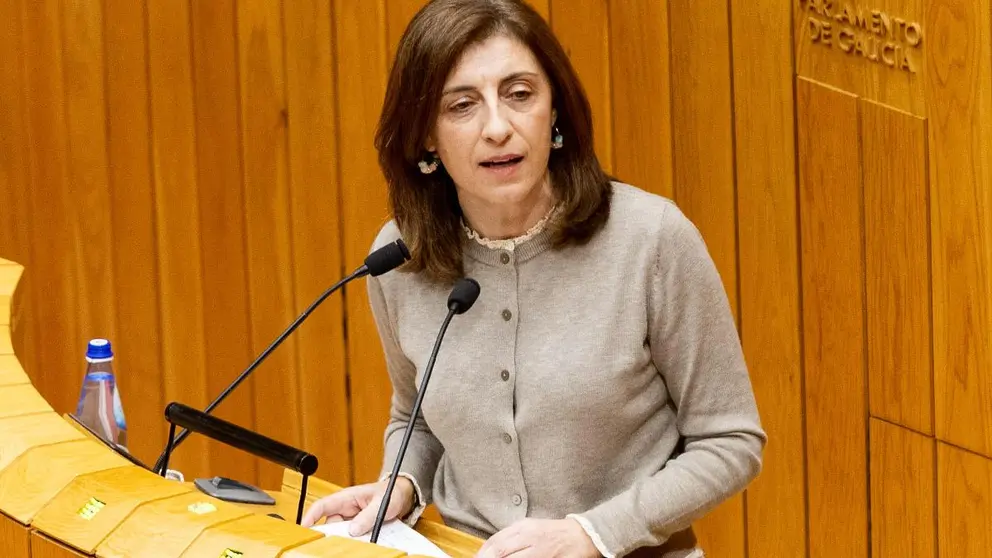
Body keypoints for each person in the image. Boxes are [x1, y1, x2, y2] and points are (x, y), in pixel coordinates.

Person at [301, 1, 766, 556]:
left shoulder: (652, 241)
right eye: (462, 105)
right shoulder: (401, 258)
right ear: (426, 136)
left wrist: (593, 534)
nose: (498, 127)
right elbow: (417, 416)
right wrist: (402, 486)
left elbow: (730, 442)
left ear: (555, 113)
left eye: (520, 95)